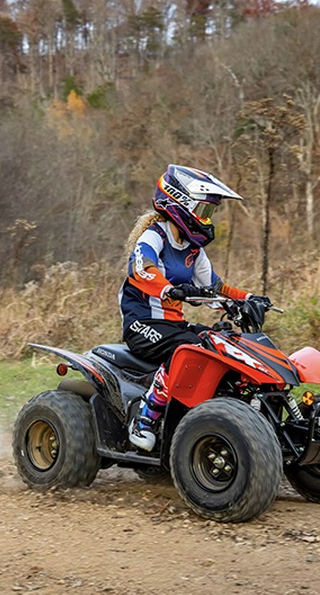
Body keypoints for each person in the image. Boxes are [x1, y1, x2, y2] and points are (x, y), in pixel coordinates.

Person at [119, 164, 269, 451]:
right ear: (179, 205)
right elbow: (142, 270)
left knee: (220, 343)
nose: (206, 218)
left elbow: (216, 289)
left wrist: (249, 298)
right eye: (203, 210)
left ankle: (223, 409)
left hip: (172, 326)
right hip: (143, 324)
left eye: (209, 212)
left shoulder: (193, 250)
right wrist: (170, 289)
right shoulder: (153, 237)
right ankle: (145, 419)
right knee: (186, 349)